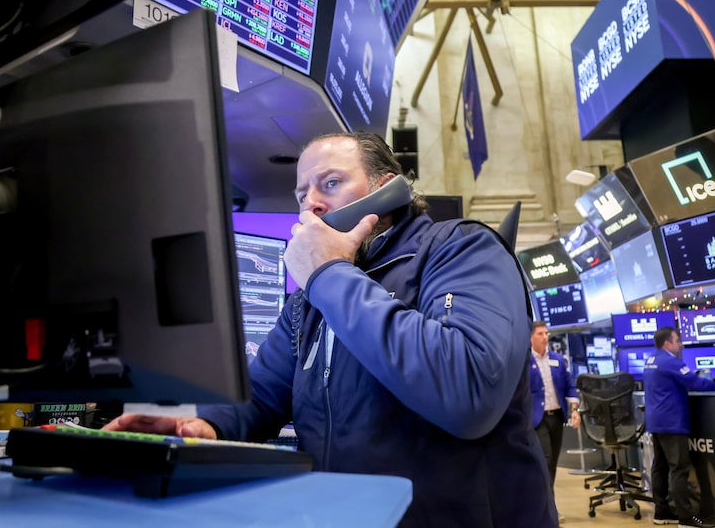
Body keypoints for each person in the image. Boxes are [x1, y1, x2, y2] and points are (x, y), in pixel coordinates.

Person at [104, 131, 556, 527]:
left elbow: (468, 392)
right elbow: (261, 395)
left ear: (386, 189)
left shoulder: (461, 248)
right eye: (302, 195)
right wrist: (203, 423)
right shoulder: (308, 302)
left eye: (332, 183)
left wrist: (328, 274)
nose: (312, 203)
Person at [643, 327, 715, 528]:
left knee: (659, 467)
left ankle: (662, 512)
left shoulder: (651, 360)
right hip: (671, 421)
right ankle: (686, 518)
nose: (681, 345)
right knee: (679, 469)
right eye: (677, 340)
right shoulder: (670, 361)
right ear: (667, 343)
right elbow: (694, 382)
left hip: (656, 421)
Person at [529, 321, 581, 486]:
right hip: (538, 419)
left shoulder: (558, 360)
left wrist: (574, 410)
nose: (545, 337)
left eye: (546, 333)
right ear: (530, 338)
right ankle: (548, 508)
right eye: (540, 334)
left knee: (552, 463)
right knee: (545, 459)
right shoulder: (525, 363)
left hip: (557, 417)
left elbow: (569, 386)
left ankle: (548, 504)